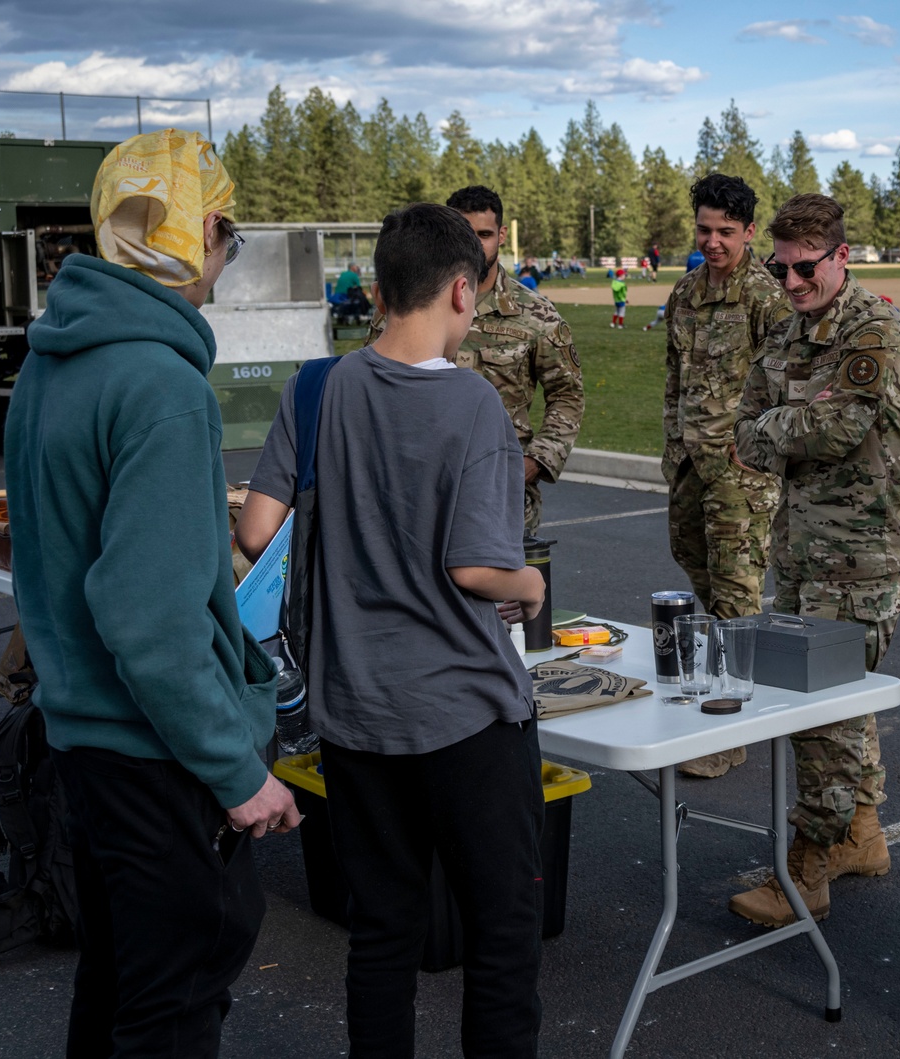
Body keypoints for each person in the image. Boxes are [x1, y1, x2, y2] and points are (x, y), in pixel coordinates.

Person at [4, 128, 301, 1058]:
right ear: (200, 230)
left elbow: (72, 556)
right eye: (229, 235)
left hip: (83, 745)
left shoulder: (49, 362)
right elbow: (150, 621)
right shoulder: (163, 385)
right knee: (170, 1011)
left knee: (117, 991)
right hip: (157, 757)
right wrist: (238, 770)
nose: (225, 259)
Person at [237, 202, 546, 1058]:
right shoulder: (475, 405)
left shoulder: (316, 386)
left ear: (377, 291)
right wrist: (533, 581)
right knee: (501, 935)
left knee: (382, 936)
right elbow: (476, 569)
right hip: (464, 716)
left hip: (354, 714)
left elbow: (258, 532)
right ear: (460, 289)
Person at [730, 193, 900, 927]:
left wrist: (777, 424)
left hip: (858, 560)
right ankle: (861, 834)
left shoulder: (877, 332)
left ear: (842, 256)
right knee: (839, 707)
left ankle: (807, 866)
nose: (791, 283)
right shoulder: (790, 334)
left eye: (805, 268)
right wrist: (785, 424)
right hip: (803, 555)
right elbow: (740, 433)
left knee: (820, 718)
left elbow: (837, 427)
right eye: (780, 269)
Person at [663, 173, 791, 779]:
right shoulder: (684, 295)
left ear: (749, 232)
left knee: (737, 598)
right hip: (691, 466)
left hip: (742, 473)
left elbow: (793, 386)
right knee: (699, 576)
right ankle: (717, 692)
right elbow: (675, 381)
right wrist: (671, 450)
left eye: (726, 232)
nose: (713, 242)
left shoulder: (768, 298)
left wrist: (762, 450)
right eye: (705, 229)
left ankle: (730, 729)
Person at [366, 185, 584, 534]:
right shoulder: (407, 303)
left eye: (484, 234)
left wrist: (535, 461)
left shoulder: (536, 315)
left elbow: (567, 394)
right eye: (465, 233)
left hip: (499, 495)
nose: (475, 245)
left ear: (501, 235)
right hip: (413, 489)